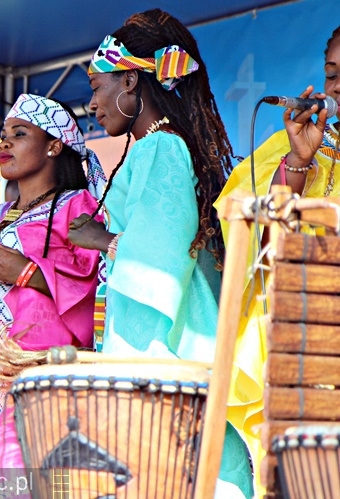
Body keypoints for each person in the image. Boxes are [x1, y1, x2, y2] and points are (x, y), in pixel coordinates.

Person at [67, 9, 253, 497]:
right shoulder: (162, 145)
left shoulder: (161, 148)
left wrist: (100, 241)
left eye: (96, 86)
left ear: (130, 81)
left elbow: (160, 267)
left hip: (162, 367)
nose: (91, 104)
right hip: (174, 369)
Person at [214, 24, 340, 495]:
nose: (336, 86)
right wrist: (298, 162)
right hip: (298, 348)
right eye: (331, 73)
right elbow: (252, 240)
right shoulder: (290, 145)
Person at [0, 93, 102, 469]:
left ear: (53, 145)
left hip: (41, 372)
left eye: (19, 134)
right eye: (3, 134)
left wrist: (28, 273)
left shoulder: (77, 204)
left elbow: (95, 285)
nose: (4, 143)